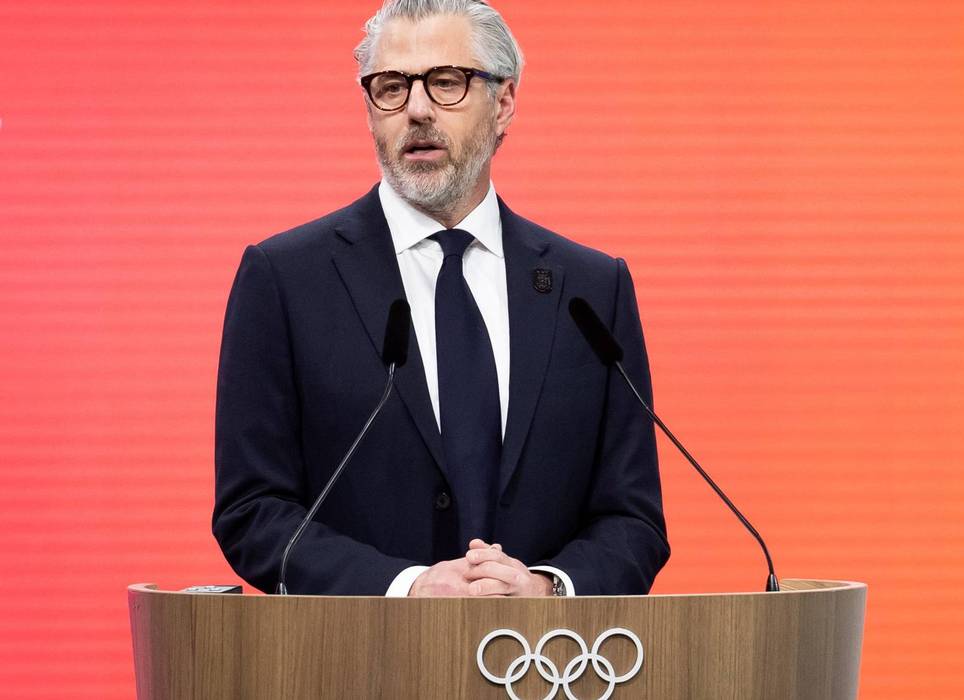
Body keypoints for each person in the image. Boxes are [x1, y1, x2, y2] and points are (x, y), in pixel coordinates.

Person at [211, 0, 668, 597]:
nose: (417, 110)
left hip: (546, 674)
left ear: (503, 102)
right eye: (391, 87)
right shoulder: (285, 279)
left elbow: (633, 518)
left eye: (446, 83)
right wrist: (406, 587)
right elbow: (253, 511)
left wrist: (550, 590)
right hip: (359, 670)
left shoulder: (591, 289)